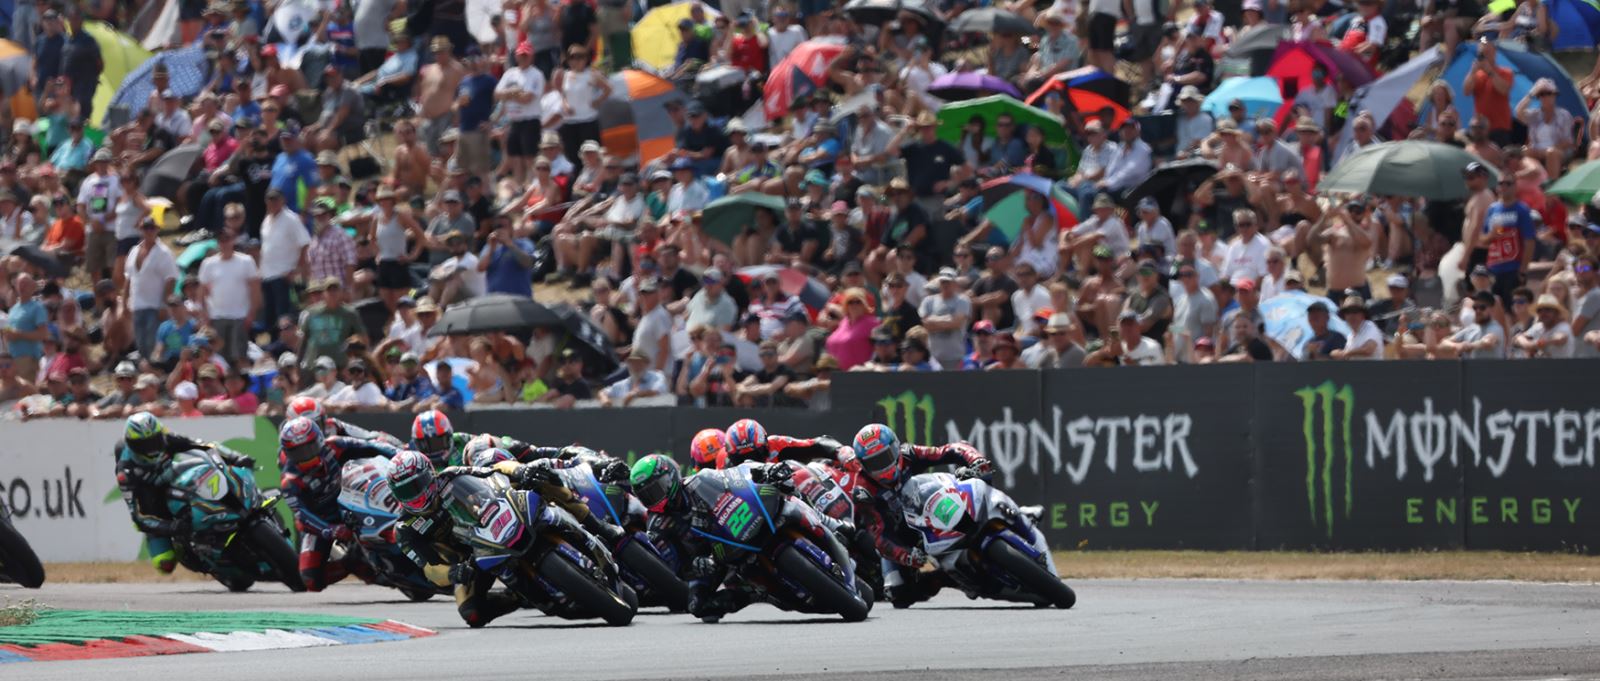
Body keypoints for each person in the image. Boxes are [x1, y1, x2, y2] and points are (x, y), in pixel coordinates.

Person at [115, 412, 256, 575]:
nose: (151, 449)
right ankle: (192, 551)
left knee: (204, 469)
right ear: (132, 446)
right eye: (143, 445)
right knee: (164, 563)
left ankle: (232, 509)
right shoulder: (125, 473)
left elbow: (202, 446)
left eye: (154, 441)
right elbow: (138, 518)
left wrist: (234, 457)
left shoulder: (168, 438)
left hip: (170, 477)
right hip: (151, 502)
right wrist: (171, 527)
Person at [277, 417, 405, 591]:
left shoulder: (335, 445)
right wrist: (330, 529)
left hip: (352, 499)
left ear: (319, 440)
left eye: (310, 448)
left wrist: (401, 456)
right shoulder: (290, 481)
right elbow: (303, 517)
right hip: (323, 520)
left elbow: (373, 446)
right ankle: (354, 564)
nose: (306, 457)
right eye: (298, 453)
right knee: (310, 579)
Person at [1465, 38, 1514, 146]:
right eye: (1482, 54)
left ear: (1494, 53)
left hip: (1500, 128)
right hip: (1480, 129)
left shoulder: (1505, 72)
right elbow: (1466, 91)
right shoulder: (1477, 75)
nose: (1485, 56)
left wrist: (1490, 71)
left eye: (1487, 53)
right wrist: (1473, 71)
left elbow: (1504, 89)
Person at [601, 350, 668, 407]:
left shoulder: (656, 377)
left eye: (639, 362)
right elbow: (604, 392)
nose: (636, 366)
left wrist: (634, 394)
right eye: (632, 362)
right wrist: (605, 400)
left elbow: (657, 391)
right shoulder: (623, 384)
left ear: (647, 364)